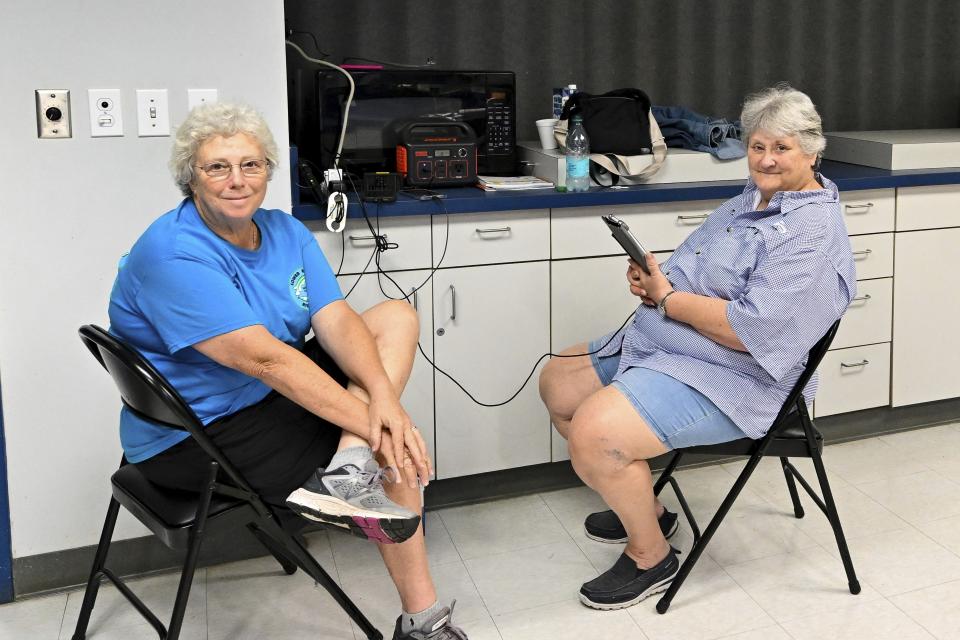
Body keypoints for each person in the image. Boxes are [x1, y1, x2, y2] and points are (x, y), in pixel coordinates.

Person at [108, 102, 467, 639]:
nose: (237, 181)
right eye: (217, 167)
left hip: (262, 398)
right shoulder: (173, 253)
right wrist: (379, 423)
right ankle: (424, 623)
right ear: (191, 177)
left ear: (269, 170)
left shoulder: (283, 231)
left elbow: (337, 318)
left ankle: (347, 470)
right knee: (393, 449)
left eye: (251, 165)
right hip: (196, 436)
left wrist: (383, 402)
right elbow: (266, 359)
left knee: (394, 316)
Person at [538, 84, 856, 611]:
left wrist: (667, 298)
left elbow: (751, 330)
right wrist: (654, 278)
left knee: (596, 435)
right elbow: (694, 265)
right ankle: (644, 505)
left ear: (813, 151)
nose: (766, 159)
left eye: (782, 148)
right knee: (558, 383)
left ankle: (651, 554)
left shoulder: (810, 233)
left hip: (742, 377)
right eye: (757, 145)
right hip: (676, 344)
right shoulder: (751, 200)